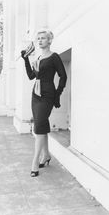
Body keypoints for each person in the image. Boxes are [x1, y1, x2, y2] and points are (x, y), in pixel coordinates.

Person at [21, 29, 67, 177]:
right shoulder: (38, 58)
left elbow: (63, 76)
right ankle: (46, 155)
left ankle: (35, 161)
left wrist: (57, 94)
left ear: (49, 41)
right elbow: (30, 76)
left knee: (39, 126)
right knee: (41, 125)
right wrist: (26, 59)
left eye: (43, 38)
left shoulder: (54, 57)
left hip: (47, 94)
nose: (40, 40)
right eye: (38, 38)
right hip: (35, 94)